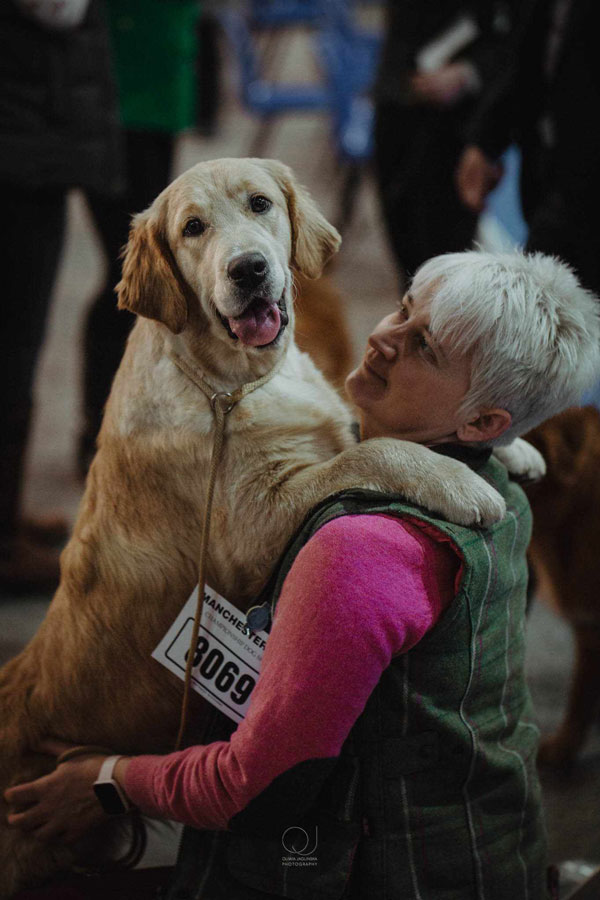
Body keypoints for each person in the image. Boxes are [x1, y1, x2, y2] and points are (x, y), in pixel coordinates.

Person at [5, 251, 600, 899]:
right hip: (486, 840)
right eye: (404, 308)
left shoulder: (359, 551)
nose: (382, 338)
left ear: (486, 421)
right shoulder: (500, 483)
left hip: (373, 871)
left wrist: (108, 782)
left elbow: (252, 791)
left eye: (423, 346)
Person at [0, 0, 123, 593]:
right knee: (12, 346)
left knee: (19, 346)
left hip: (23, 135)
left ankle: (5, 518)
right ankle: (1, 546)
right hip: (18, 144)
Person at [78, 0, 201, 475]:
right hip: (119, 94)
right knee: (130, 271)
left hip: (156, 85)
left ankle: (125, 423)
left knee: (147, 271)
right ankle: (102, 429)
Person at [456, 0, 600, 297]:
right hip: (553, 175)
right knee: (540, 303)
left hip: (585, 186)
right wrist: (486, 141)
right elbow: (527, 55)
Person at [373, 0, 518, 282]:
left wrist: (469, 74)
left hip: (459, 130)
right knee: (408, 257)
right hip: (398, 105)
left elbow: (523, 41)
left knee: (446, 264)